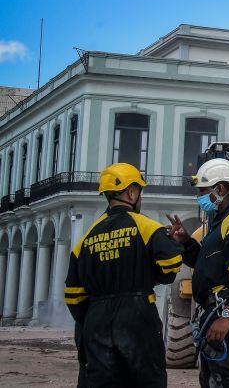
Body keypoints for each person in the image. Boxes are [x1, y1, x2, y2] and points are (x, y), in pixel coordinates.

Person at [64, 162, 184, 387]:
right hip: (137, 315)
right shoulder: (147, 227)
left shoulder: (85, 239)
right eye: (139, 191)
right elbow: (171, 262)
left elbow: (72, 295)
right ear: (131, 192)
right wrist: (152, 273)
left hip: (96, 319)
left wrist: (93, 317)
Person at [168, 158, 229, 387]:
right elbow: (208, 265)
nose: (199, 198)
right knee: (212, 379)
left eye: (203, 191)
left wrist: (226, 316)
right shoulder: (219, 220)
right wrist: (185, 242)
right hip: (216, 310)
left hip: (228, 314)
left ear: (220, 189)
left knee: (225, 378)